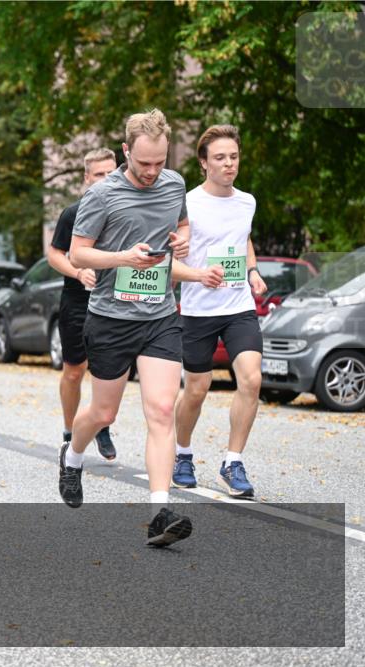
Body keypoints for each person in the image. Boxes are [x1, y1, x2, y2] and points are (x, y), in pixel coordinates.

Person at [64, 108, 221, 547]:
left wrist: (183, 241)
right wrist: (123, 259)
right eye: (144, 163)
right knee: (103, 413)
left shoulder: (173, 185)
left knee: (160, 410)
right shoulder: (103, 195)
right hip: (111, 318)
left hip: (159, 316)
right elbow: (78, 255)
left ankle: (160, 511)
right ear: (125, 151)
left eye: (160, 162)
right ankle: (73, 456)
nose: (153, 172)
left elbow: (182, 226)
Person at [173, 125, 267, 498]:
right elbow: (168, 264)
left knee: (252, 379)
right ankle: (182, 454)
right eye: (220, 158)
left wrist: (253, 270)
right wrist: (197, 272)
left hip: (238, 306)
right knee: (197, 388)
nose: (229, 164)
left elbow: (243, 238)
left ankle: (232, 461)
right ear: (203, 163)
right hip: (197, 310)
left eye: (234, 157)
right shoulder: (188, 204)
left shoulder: (247, 202)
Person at [46, 148, 119, 461]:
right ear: (87, 177)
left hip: (115, 302)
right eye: (99, 174)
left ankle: (101, 424)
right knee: (74, 371)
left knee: (107, 371)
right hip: (78, 301)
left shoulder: (125, 212)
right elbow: (54, 254)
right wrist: (77, 271)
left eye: (110, 173)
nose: (105, 179)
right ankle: (68, 432)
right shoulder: (73, 213)